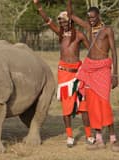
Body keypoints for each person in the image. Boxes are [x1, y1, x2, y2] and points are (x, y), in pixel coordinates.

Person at [34, 0, 94, 148]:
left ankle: (89, 135)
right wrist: (38, 6)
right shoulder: (60, 34)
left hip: (78, 74)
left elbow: (91, 51)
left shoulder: (78, 35)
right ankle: (69, 136)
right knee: (67, 107)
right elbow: (47, 20)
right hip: (64, 74)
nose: (63, 24)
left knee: (83, 106)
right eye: (61, 22)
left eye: (66, 21)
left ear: (71, 21)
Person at [67, 0, 119, 151]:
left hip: (103, 70)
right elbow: (70, 15)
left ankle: (113, 139)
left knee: (104, 104)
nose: (91, 20)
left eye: (93, 17)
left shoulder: (107, 30)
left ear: (99, 16)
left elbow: (114, 53)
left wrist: (115, 74)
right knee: (93, 106)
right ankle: (99, 139)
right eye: (89, 18)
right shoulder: (88, 28)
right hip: (90, 70)